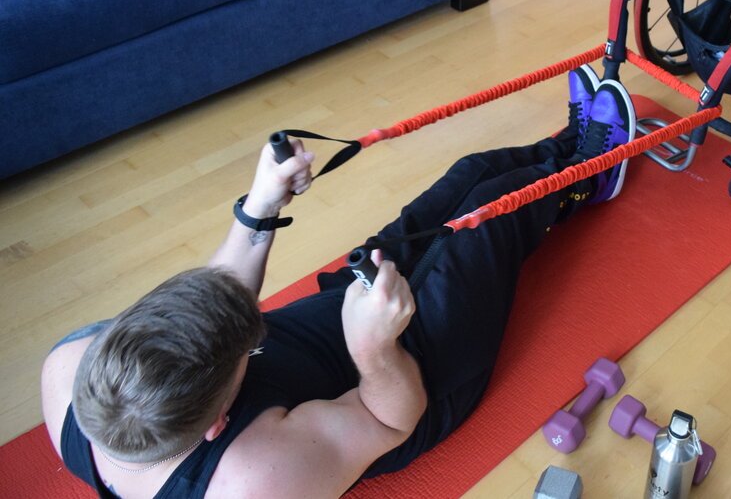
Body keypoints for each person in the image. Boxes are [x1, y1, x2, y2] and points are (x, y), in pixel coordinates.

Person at [40, 67, 637, 499]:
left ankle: (569, 147)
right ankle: (594, 177)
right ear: (219, 422)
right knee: (491, 211)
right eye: (243, 348)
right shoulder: (251, 482)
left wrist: (260, 206)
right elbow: (391, 421)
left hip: (339, 316)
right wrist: (375, 348)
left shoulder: (70, 367)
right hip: (406, 381)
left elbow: (216, 305)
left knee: (467, 176)